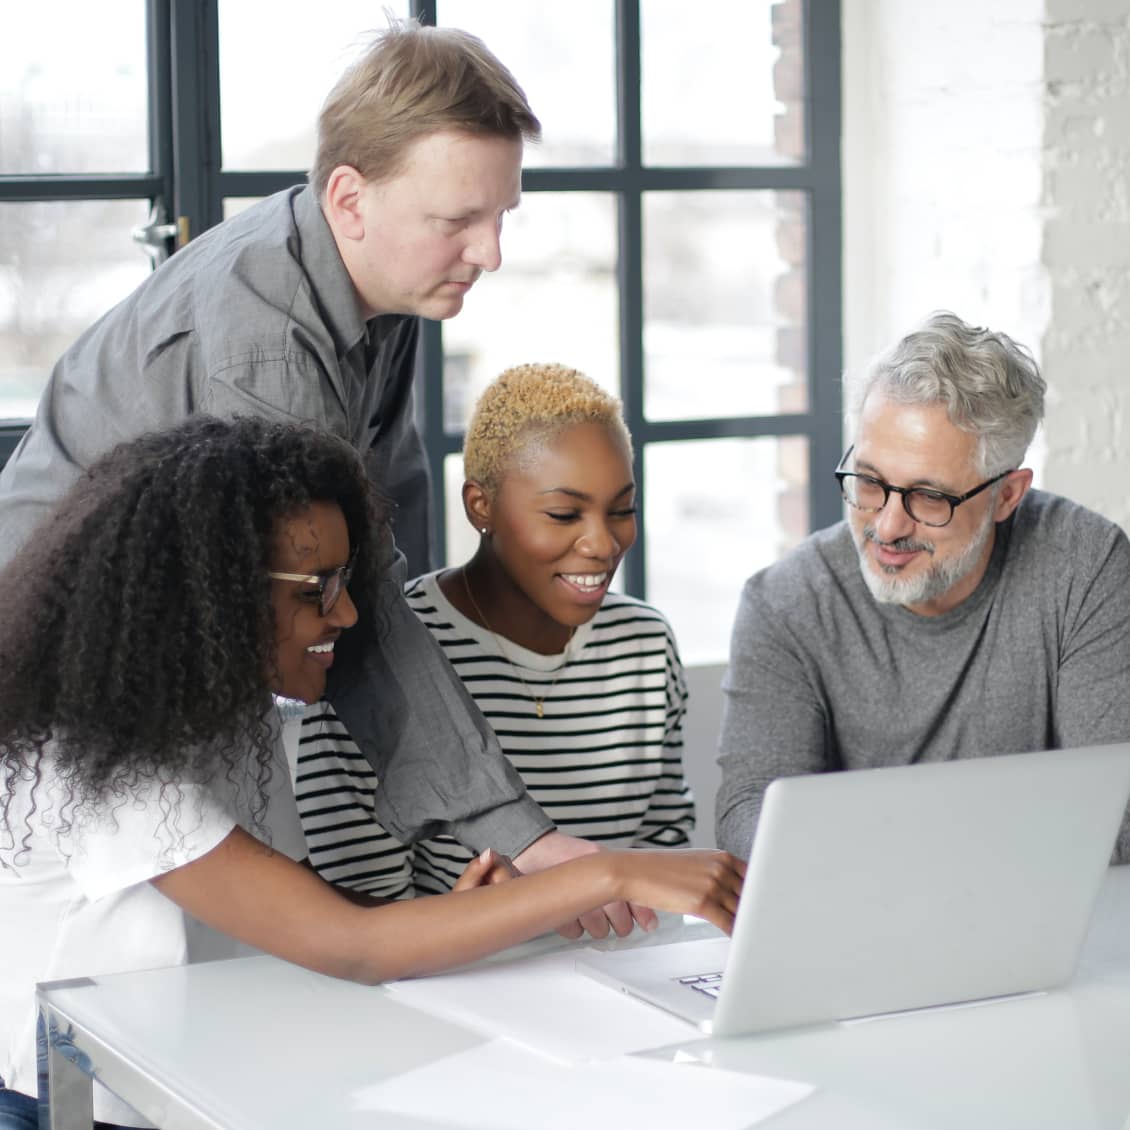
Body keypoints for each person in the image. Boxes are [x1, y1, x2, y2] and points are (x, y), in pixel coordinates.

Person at [0, 19, 613, 915]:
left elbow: (377, 553)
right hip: (64, 711)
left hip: (176, 679)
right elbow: (343, 594)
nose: (490, 253)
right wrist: (512, 830)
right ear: (351, 198)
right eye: (458, 222)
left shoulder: (383, 298)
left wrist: (472, 823)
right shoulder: (267, 350)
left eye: (499, 217)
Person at [0, 416, 746, 1130]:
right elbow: (352, 943)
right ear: (212, 594)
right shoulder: (107, 768)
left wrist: (454, 917)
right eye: (315, 589)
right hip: (70, 1106)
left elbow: (302, 906)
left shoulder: (221, 713)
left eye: (346, 580)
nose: (349, 615)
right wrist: (611, 874)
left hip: (177, 1080)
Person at [715, 311, 1130, 862]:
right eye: (868, 481)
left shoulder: (1085, 566)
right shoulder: (785, 603)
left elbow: (1118, 816)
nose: (886, 527)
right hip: (859, 921)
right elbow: (749, 815)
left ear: (1008, 495)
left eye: (929, 497)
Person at [295, 363, 695, 899]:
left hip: (618, 971)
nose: (603, 544)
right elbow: (357, 918)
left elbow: (663, 858)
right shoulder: (380, 658)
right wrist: (483, 919)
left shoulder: (645, 644)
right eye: (562, 514)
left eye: (623, 509)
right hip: (449, 977)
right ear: (480, 505)